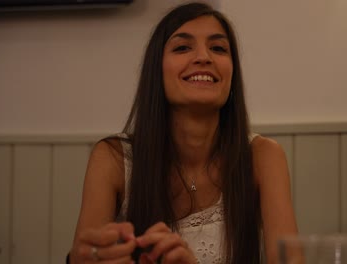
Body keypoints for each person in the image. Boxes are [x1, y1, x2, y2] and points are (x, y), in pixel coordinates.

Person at [68, 2, 298, 263]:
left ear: (232, 74)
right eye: (182, 47)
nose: (204, 57)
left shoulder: (263, 156)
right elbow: (84, 255)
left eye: (218, 48)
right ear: (156, 71)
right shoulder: (113, 159)